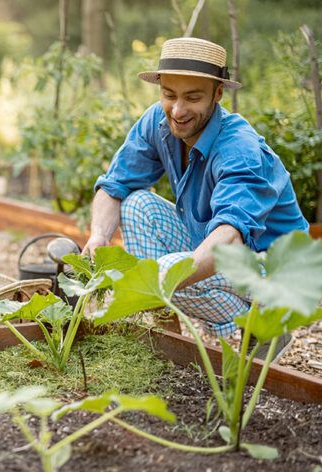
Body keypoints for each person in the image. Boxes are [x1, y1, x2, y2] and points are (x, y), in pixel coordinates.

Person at [84, 37, 308, 357]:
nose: (178, 110)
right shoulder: (159, 123)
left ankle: (268, 321)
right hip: (219, 248)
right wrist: (98, 237)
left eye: (192, 97)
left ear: (218, 93)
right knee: (136, 206)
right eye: (169, 95)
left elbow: (229, 236)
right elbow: (115, 184)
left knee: (164, 274)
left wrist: (155, 281)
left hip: (273, 269)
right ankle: (166, 333)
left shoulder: (238, 149)